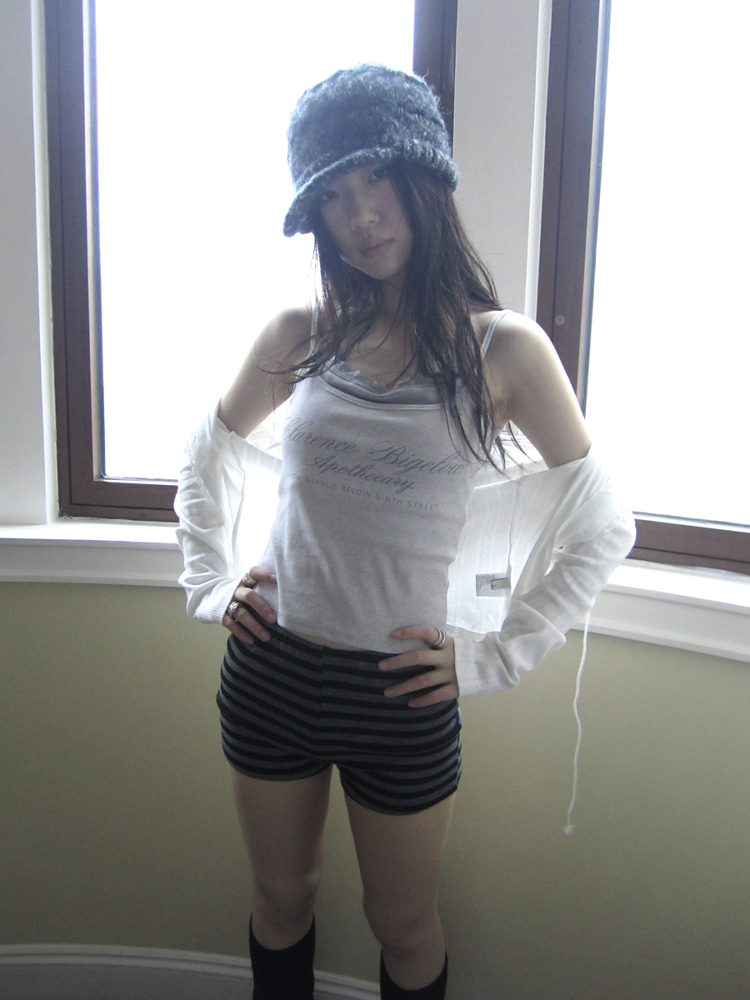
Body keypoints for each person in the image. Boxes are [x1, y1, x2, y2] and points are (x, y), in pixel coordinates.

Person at [175, 64, 635, 1000]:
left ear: (423, 178)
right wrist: (214, 584)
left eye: (377, 178)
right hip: (271, 670)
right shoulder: (298, 333)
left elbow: (602, 524)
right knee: (281, 899)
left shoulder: (503, 349)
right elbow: (204, 457)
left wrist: (492, 656)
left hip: (401, 694)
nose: (362, 216)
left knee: (406, 926)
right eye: (333, 196)